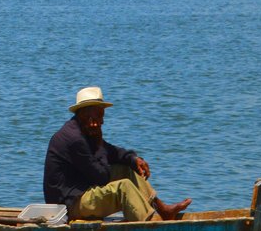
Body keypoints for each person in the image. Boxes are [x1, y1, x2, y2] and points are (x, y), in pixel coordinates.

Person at [43, 86, 191, 222]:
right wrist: (99, 143)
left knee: (125, 169)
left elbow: (111, 151)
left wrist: (133, 160)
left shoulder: (82, 130)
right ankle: (148, 224)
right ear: (87, 116)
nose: (102, 121)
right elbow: (101, 177)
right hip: (69, 205)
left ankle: (162, 209)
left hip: (80, 191)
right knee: (123, 187)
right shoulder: (74, 139)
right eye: (99, 116)